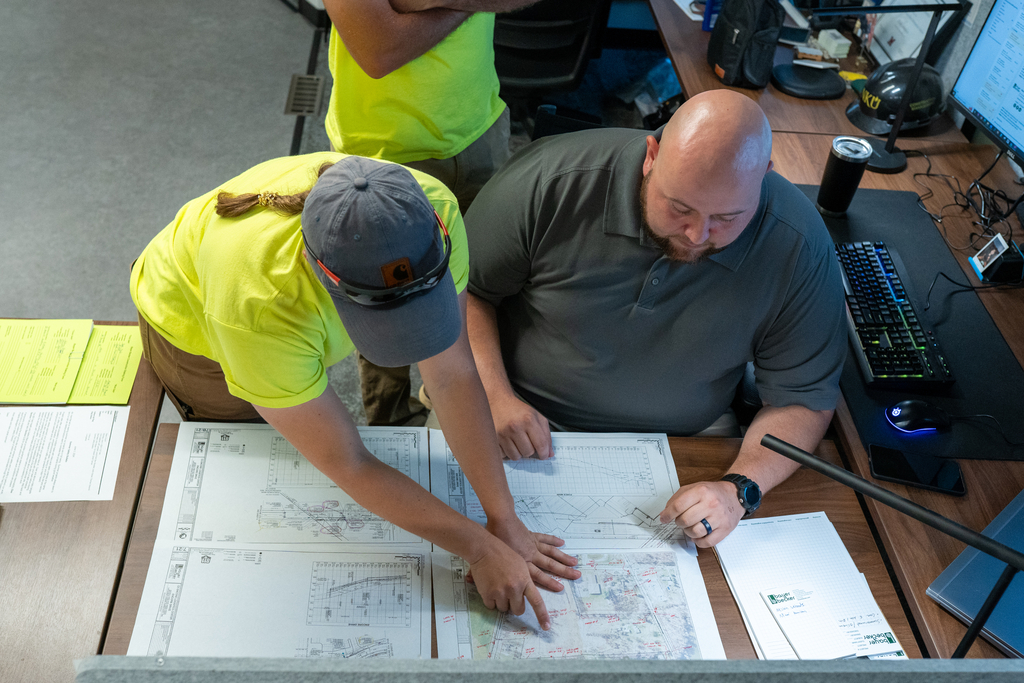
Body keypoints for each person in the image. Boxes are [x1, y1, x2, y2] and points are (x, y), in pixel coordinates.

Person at [130, 153, 580, 627]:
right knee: (256, 464)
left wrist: (503, 517)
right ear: (318, 270)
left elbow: (451, 373)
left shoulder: (434, 210)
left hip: (289, 311)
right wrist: (478, 547)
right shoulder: (255, 305)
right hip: (196, 332)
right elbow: (346, 458)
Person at [463, 91, 847, 547]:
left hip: (688, 442)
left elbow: (803, 400)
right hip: (517, 415)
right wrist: (493, 394)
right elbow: (460, 293)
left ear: (763, 178)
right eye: (679, 207)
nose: (697, 235)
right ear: (651, 156)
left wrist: (739, 488)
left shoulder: (799, 244)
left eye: (726, 217)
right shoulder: (550, 181)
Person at [323, 0, 540, 426]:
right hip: (381, 152)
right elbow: (378, 51)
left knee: (481, 284)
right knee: (385, 305)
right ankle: (392, 422)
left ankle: (461, 397)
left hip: (478, 126)